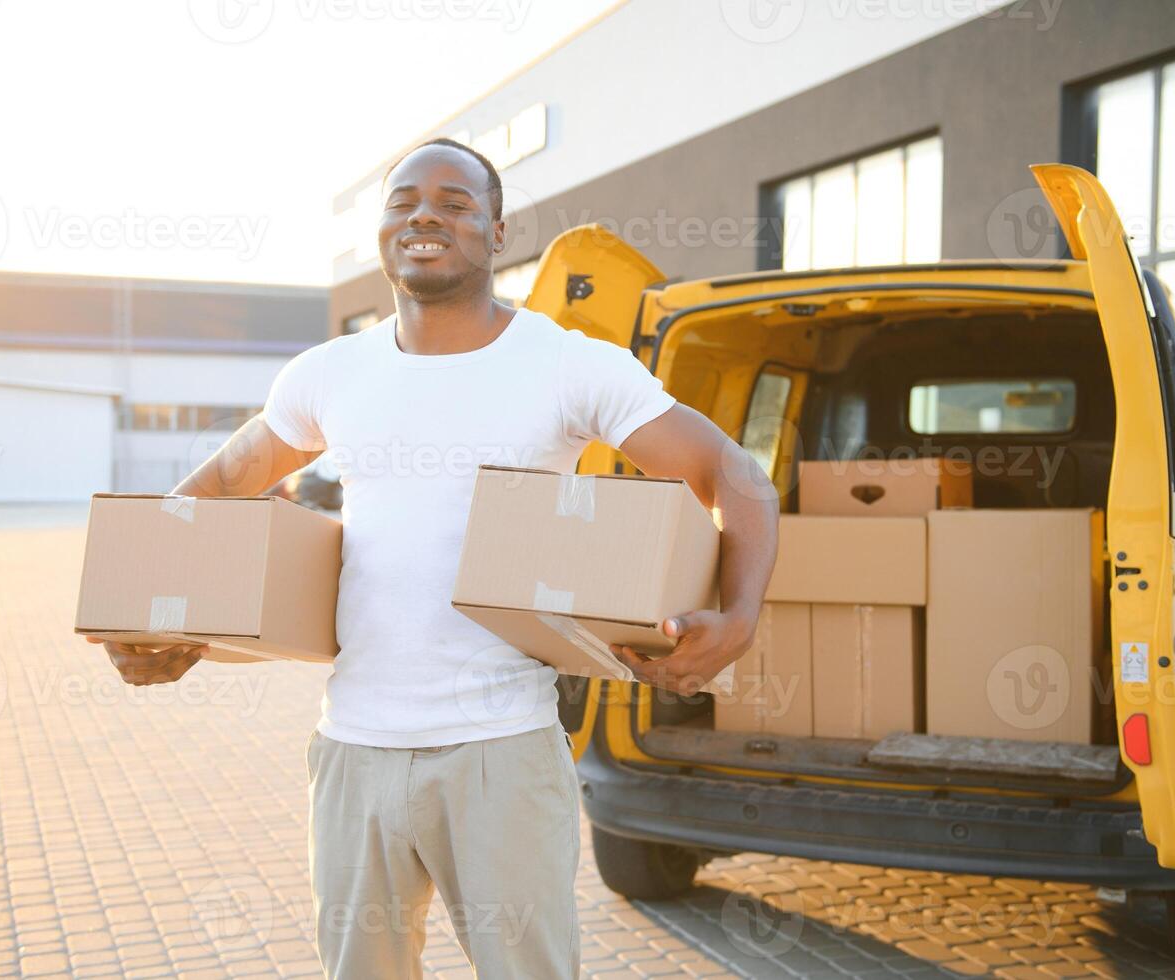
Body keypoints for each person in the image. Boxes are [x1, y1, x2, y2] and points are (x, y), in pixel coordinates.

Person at [88, 137, 779, 978]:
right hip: (352, 749)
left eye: (455, 203)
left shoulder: (566, 363)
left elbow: (735, 479)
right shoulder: (328, 373)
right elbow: (220, 487)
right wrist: (161, 621)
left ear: (496, 234)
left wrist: (738, 618)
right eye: (403, 201)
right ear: (381, 232)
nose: (424, 214)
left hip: (501, 750)